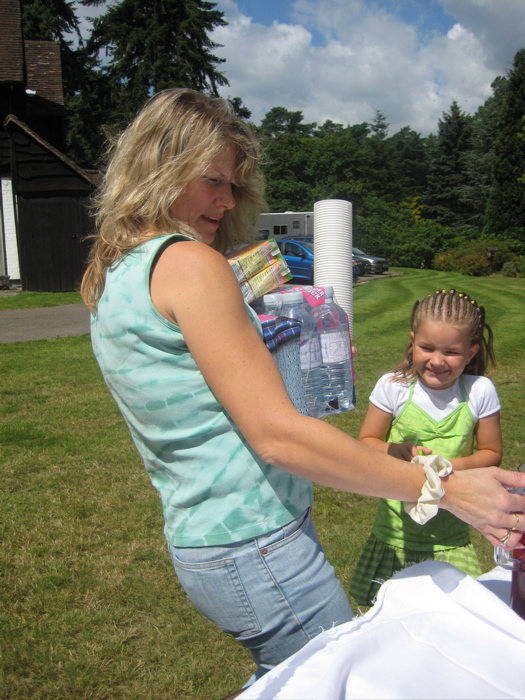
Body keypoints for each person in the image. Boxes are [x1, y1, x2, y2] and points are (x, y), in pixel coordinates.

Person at [81, 88, 525, 683]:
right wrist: (444, 488)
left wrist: (289, 363)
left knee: (284, 683)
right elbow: (277, 439)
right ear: (160, 168)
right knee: (337, 684)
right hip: (261, 548)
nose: (225, 200)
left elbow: (201, 406)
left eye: (233, 184)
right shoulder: (189, 263)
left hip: (207, 542)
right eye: (210, 179)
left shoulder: (117, 270)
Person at [350, 289, 503, 606]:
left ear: (471, 352)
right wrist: (395, 451)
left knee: (453, 618)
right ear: (412, 340)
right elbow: (366, 443)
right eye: (427, 348)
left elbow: (491, 453)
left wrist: (444, 467)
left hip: (450, 532)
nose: (437, 360)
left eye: (451, 352)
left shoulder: (479, 391)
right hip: (395, 532)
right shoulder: (393, 387)